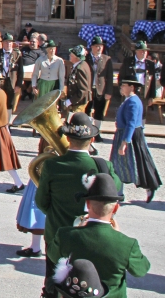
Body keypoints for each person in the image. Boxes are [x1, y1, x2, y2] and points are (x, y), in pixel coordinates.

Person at [36, 112, 123, 298]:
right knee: (89, 286)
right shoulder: (102, 165)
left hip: (57, 234)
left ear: (67, 137)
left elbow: (41, 202)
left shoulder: (51, 166)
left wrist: (57, 213)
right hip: (92, 237)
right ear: (92, 139)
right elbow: (115, 191)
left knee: (53, 287)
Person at [47, 173, 149, 298]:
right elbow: (141, 270)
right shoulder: (128, 244)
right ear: (116, 208)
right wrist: (117, 236)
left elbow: (53, 255)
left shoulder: (65, 234)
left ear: (88, 204)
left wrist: (75, 230)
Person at [110, 79, 161, 203]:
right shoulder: (129, 100)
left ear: (131, 87)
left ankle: (148, 186)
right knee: (118, 163)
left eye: (124, 85)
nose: (121, 87)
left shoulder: (133, 101)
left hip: (130, 136)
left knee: (137, 163)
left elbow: (131, 123)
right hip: (126, 134)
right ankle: (119, 192)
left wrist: (124, 142)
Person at [15, 140, 47, 258]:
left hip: (43, 174)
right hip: (42, 170)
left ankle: (35, 247)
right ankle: (36, 246)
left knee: (37, 211)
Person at [86, 36, 114, 143]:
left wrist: (109, 92)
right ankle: (87, 131)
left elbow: (110, 77)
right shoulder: (87, 58)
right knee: (87, 110)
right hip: (89, 89)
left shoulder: (107, 59)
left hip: (100, 89)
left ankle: (97, 133)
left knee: (99, 112)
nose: (99, 48)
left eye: (100, 46)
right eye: (97, 46)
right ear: (92, 47)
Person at [0, 33, 20, 98]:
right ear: (2, 43)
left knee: (10, 104)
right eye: (6, 42)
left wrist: (18, 85)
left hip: (12, 81)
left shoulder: (17, 54)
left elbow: (20, 71)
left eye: (10, 42)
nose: (8, 44)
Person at [64, 46, 92, 115]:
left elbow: (83, 90)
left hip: (79, 102)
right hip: (77, 101)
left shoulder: (80, 69)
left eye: (72, 54)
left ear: (77, 57)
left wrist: (70, 101)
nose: (70, 55)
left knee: (75, 121)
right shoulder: (81, 65)